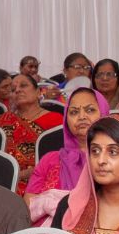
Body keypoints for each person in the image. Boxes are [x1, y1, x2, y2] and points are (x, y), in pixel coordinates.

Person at [24, 87, 107, 217]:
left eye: (90, 110)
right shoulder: (50, 160)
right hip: (48, 232)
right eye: (74, 112)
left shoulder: (112, 160)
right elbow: (29, 204)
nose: (81, 117)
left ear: (104, 113)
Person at [0, 73, 62, 181]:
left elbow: (58, 159)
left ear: (38, 92)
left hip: (42, 180)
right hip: (7, 181)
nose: (17, 90)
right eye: (13, 90)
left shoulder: (56, 120)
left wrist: (19, 175)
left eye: (23, 85)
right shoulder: (3, 121)